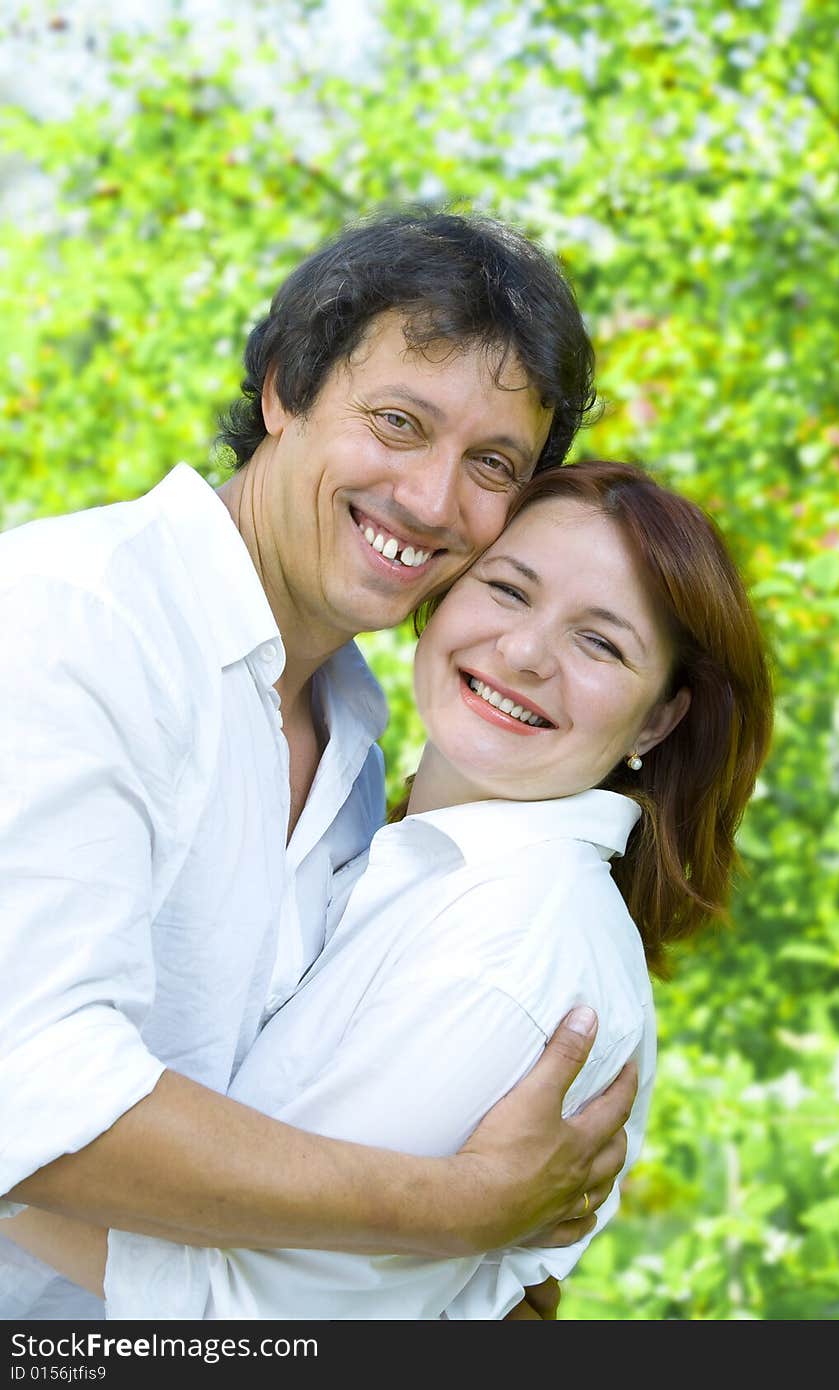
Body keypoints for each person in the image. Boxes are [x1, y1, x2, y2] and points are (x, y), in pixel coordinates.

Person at [0, 209, 636, 1321]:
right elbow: (32, 1092)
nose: (432, 502)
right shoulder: (70, 622)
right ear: (285, 387)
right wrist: (456, 1209)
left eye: (492, 464)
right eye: (397, 421)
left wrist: (505, 1266)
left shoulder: (360, 741)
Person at [7, 460, 774, 1319]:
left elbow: (260, 1312)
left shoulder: (514, 941)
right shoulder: (374, 823)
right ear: (443, 594)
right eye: (509, 590)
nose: (523, 653)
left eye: (599, 642)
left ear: (657, 719)